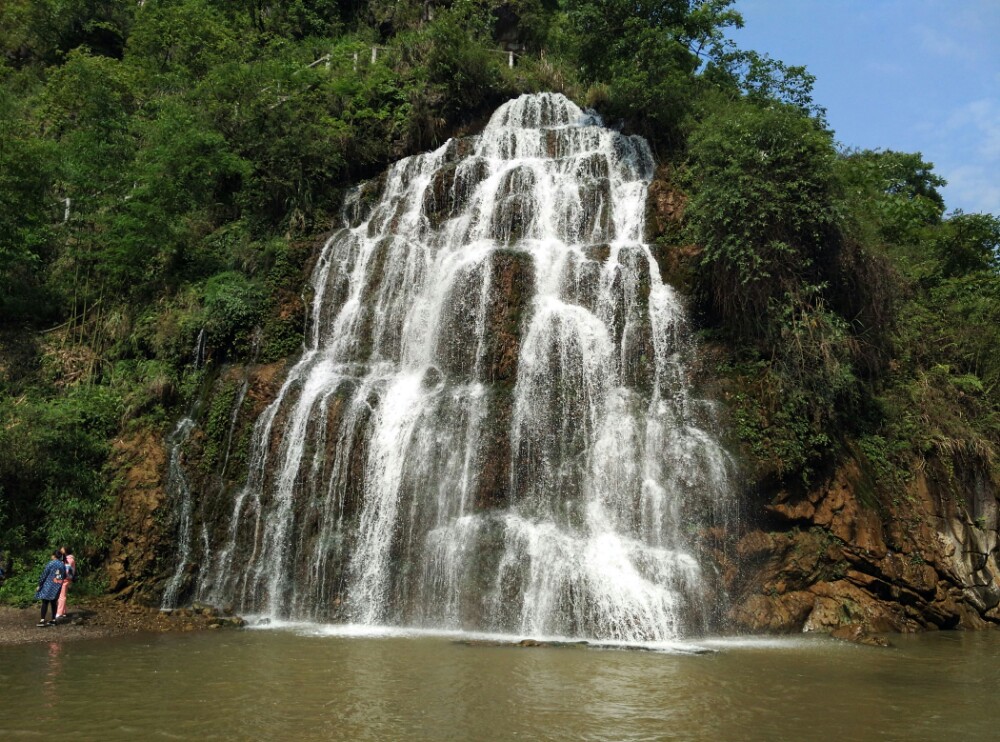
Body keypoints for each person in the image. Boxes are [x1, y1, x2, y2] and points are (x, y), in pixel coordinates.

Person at [35, 550, 65, 627]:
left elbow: (44, 574)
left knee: (45, 602)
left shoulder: (51, 563)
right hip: (57, 585)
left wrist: (40, 584)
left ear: (54, 556)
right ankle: (53, 620)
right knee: (53, 602)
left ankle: (42, 620)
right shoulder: (62, 564)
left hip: (48, 584)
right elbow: (63, 575)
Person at [55, 546, 76, 620]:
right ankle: (63, 612)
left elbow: (66, 570)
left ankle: (59, 612)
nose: (61, 549)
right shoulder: (67, 559)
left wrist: (58, 577)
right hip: (64, 579)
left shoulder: (69, 559)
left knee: (61, 596)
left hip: (64, 579)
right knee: (61, 596)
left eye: (62, 549)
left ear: (66, 550)